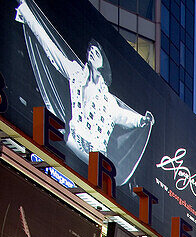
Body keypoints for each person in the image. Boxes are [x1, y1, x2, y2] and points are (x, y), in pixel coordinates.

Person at [15, 0, 154, 183]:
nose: (92, 52)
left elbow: (129, 119)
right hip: (70, 144)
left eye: (97, 52)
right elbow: (51, 48)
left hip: (96, 161)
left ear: (104, 64)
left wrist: (144, 120)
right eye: (90, 50)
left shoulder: (110, 102)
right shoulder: (76, 72)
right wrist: (26, 10)